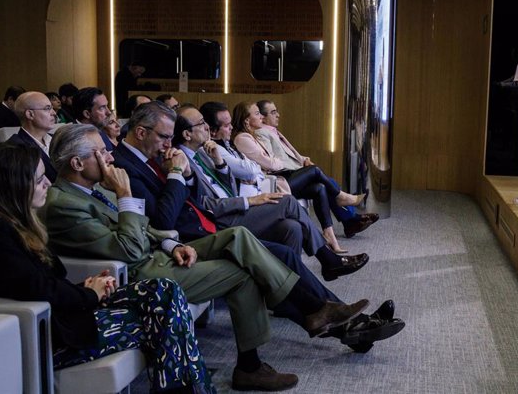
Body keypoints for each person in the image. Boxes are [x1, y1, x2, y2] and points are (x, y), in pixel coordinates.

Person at [43, 123, 373, 390]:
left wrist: (171, 245)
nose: (109, 157)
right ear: (77, 163)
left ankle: (314, 311)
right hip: (141, 275)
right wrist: (126, 194)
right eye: (101, 152)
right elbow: (129, 249)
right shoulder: (65, 205)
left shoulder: (94, 186)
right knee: (243, 274)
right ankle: (254, 362)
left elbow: (144, 227)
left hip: (163, 251)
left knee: (241, 237)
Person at [0, 142, 213, 393]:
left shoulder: (18, 224)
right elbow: (37, 289)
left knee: (164, 290)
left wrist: (91, 286)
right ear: (13, 188)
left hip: (65, 313)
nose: (48, 183)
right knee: (166, 320)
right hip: (53, 335)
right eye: (39, 181)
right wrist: (90, 294)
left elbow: (43, 281)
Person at [173, 104, 369, 275]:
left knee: (292, 228)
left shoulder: (205, 152)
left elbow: (227, 184)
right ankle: (328, 259)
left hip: (240, 203)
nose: (206, 126)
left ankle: (292, 286)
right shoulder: (182, 160)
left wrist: (219, 162)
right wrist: (249, 201)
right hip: (221, 220)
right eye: (200, 123)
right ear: (186, 133)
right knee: (289, 201)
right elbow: (203, 203)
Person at [232, 101, 365, 253]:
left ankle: (329, 235)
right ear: (246, 120)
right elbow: (271, 163)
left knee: (319, 188)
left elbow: (277, 158)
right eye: (257, 114)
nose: (261, 116)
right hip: (271, 183)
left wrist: (297, 161)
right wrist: (279, 162)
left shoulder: (253, 135)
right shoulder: (244, 138)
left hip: (279, 177)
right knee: (314, 171)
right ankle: (341, 197)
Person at [255, 99, 379, 238]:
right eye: (273, 112)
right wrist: (300, 167)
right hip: (283, 178)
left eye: (277, 111)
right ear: (263, 118)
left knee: (323, 184)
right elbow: (271, 159)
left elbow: (288, 154)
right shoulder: (261, 133)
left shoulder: (274, 131)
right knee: (317, 172)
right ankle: (346, 208)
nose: (278, 115)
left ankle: (349, 220)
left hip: (293, 172)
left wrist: (303, 159)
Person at [8, 91, 58, 182]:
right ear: (30, 114)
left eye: (52, 108)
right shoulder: (16, 149)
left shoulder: (58, 138)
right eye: (47, 108)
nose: (54, 113)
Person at [72, 87, 115, 151]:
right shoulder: (74, 140)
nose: (108, 112)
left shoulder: (98, 128)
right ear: (87, 114)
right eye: (102, 108)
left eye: (107, 106)